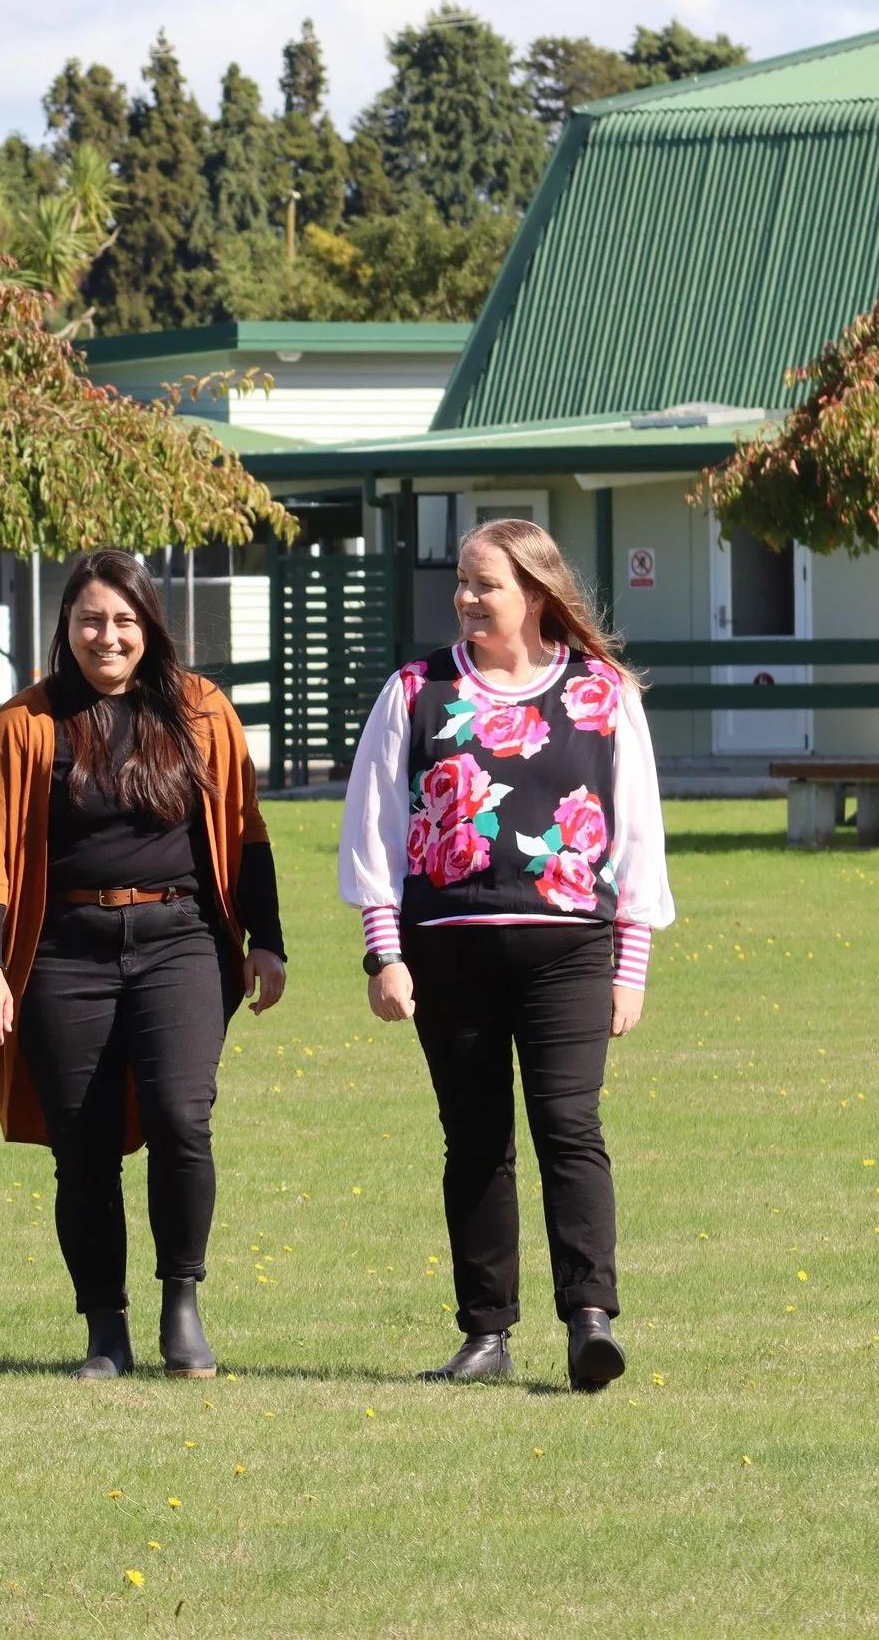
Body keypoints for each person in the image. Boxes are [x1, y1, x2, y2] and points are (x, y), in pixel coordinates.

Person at [339, 519, 670, 1391]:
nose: (466, 598)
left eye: (484, 583)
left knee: (571, 1129)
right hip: (447, 953)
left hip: (570, 954)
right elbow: (373, 828)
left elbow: (638, 834)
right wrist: (385, 954)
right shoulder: (415, 689)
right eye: (462, 582)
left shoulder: (603, 694)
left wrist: (629, 967)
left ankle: (590, 1319)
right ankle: (485, 1333)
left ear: (534, 591)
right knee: (475, 1141)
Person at [0, 549, 285, 1381]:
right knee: (84, 1145)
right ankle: (106, 1329)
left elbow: (246, 831)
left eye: (124, 621)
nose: (107, 636)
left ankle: (184, 1304)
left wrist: (267, 940)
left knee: (183, 1117)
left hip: (179, 939)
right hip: (65, 951)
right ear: (65, 627)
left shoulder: (201, 711)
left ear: (150, 627)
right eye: (90, 620)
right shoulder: (24, 724)